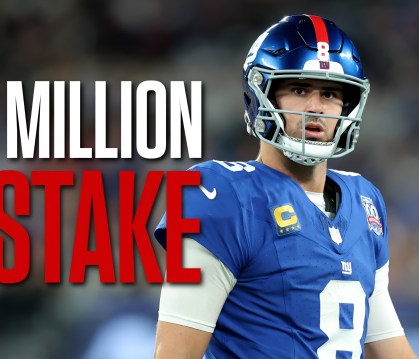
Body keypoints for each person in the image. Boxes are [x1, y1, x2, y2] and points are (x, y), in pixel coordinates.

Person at [153, 14, 418, 358]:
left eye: (330, 93)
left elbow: (390, 347)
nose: (316, 108)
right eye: (298, 89)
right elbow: (175, 354)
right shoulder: (221, 195)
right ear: (260, 95)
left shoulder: (363, 200)